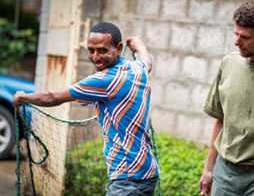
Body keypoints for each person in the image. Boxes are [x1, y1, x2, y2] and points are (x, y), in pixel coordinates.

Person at [14, 22, 159, 196]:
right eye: (91, 50)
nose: (95, 56)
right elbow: (147, 61)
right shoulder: (136, 69)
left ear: (119, 48)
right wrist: (139, 45)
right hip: (147, 173)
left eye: (102, 50)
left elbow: (52, 97)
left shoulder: (105, 79)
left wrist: (23, 97)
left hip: (128, 179)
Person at [199, 0, 254, 196]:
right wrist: (208, 170)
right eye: (236, 33)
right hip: (225, 173)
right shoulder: (228, 63)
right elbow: (220, 120)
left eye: (245, 37)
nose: (236, 41)